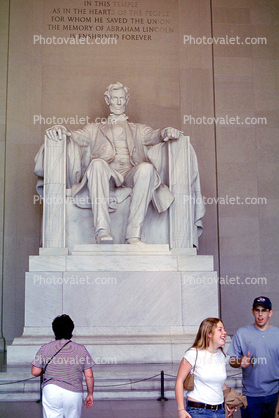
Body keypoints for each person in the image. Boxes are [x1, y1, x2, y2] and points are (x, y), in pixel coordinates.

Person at [42, 82, 183, 245]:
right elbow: (77, 136)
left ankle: (133, 235)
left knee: (147, 168)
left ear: (127, 100)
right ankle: (102, 231)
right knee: (96, 164)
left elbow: (154, 135)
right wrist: (63, 130)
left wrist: (166, 131)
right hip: (107, 173)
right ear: (107, 100)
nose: (118, 102)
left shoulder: (138, 129)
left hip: (130, 172)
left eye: (121, 98)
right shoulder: (95, 128)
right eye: (114, 98)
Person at [31, 314, 94, 418]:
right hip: (73, 392)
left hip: (51, 390)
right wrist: (90, 394)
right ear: (71, 330)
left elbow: (35, 372)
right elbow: (89, 376)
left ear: (54, 330)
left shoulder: (45, 348)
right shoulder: (81, 349)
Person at [227, 296, 279, 418]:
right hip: (250, 396)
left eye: (264, 310)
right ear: (252, 311)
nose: (260, 314)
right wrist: (240, 361)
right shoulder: (241, 333)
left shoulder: (277, 334)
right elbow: (231, 360)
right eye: (257, 310)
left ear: (270, 313)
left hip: (274, 394)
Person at [175, 317, 235, 418]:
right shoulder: (193, 354)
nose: (224, 332)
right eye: (220, 330)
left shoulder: (221, 355)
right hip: (198, 411)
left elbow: (218, 381)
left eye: (224, 329)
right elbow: (179, 381)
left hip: (219, 411)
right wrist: (181, 410)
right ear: (209, 334)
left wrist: (229, 400)